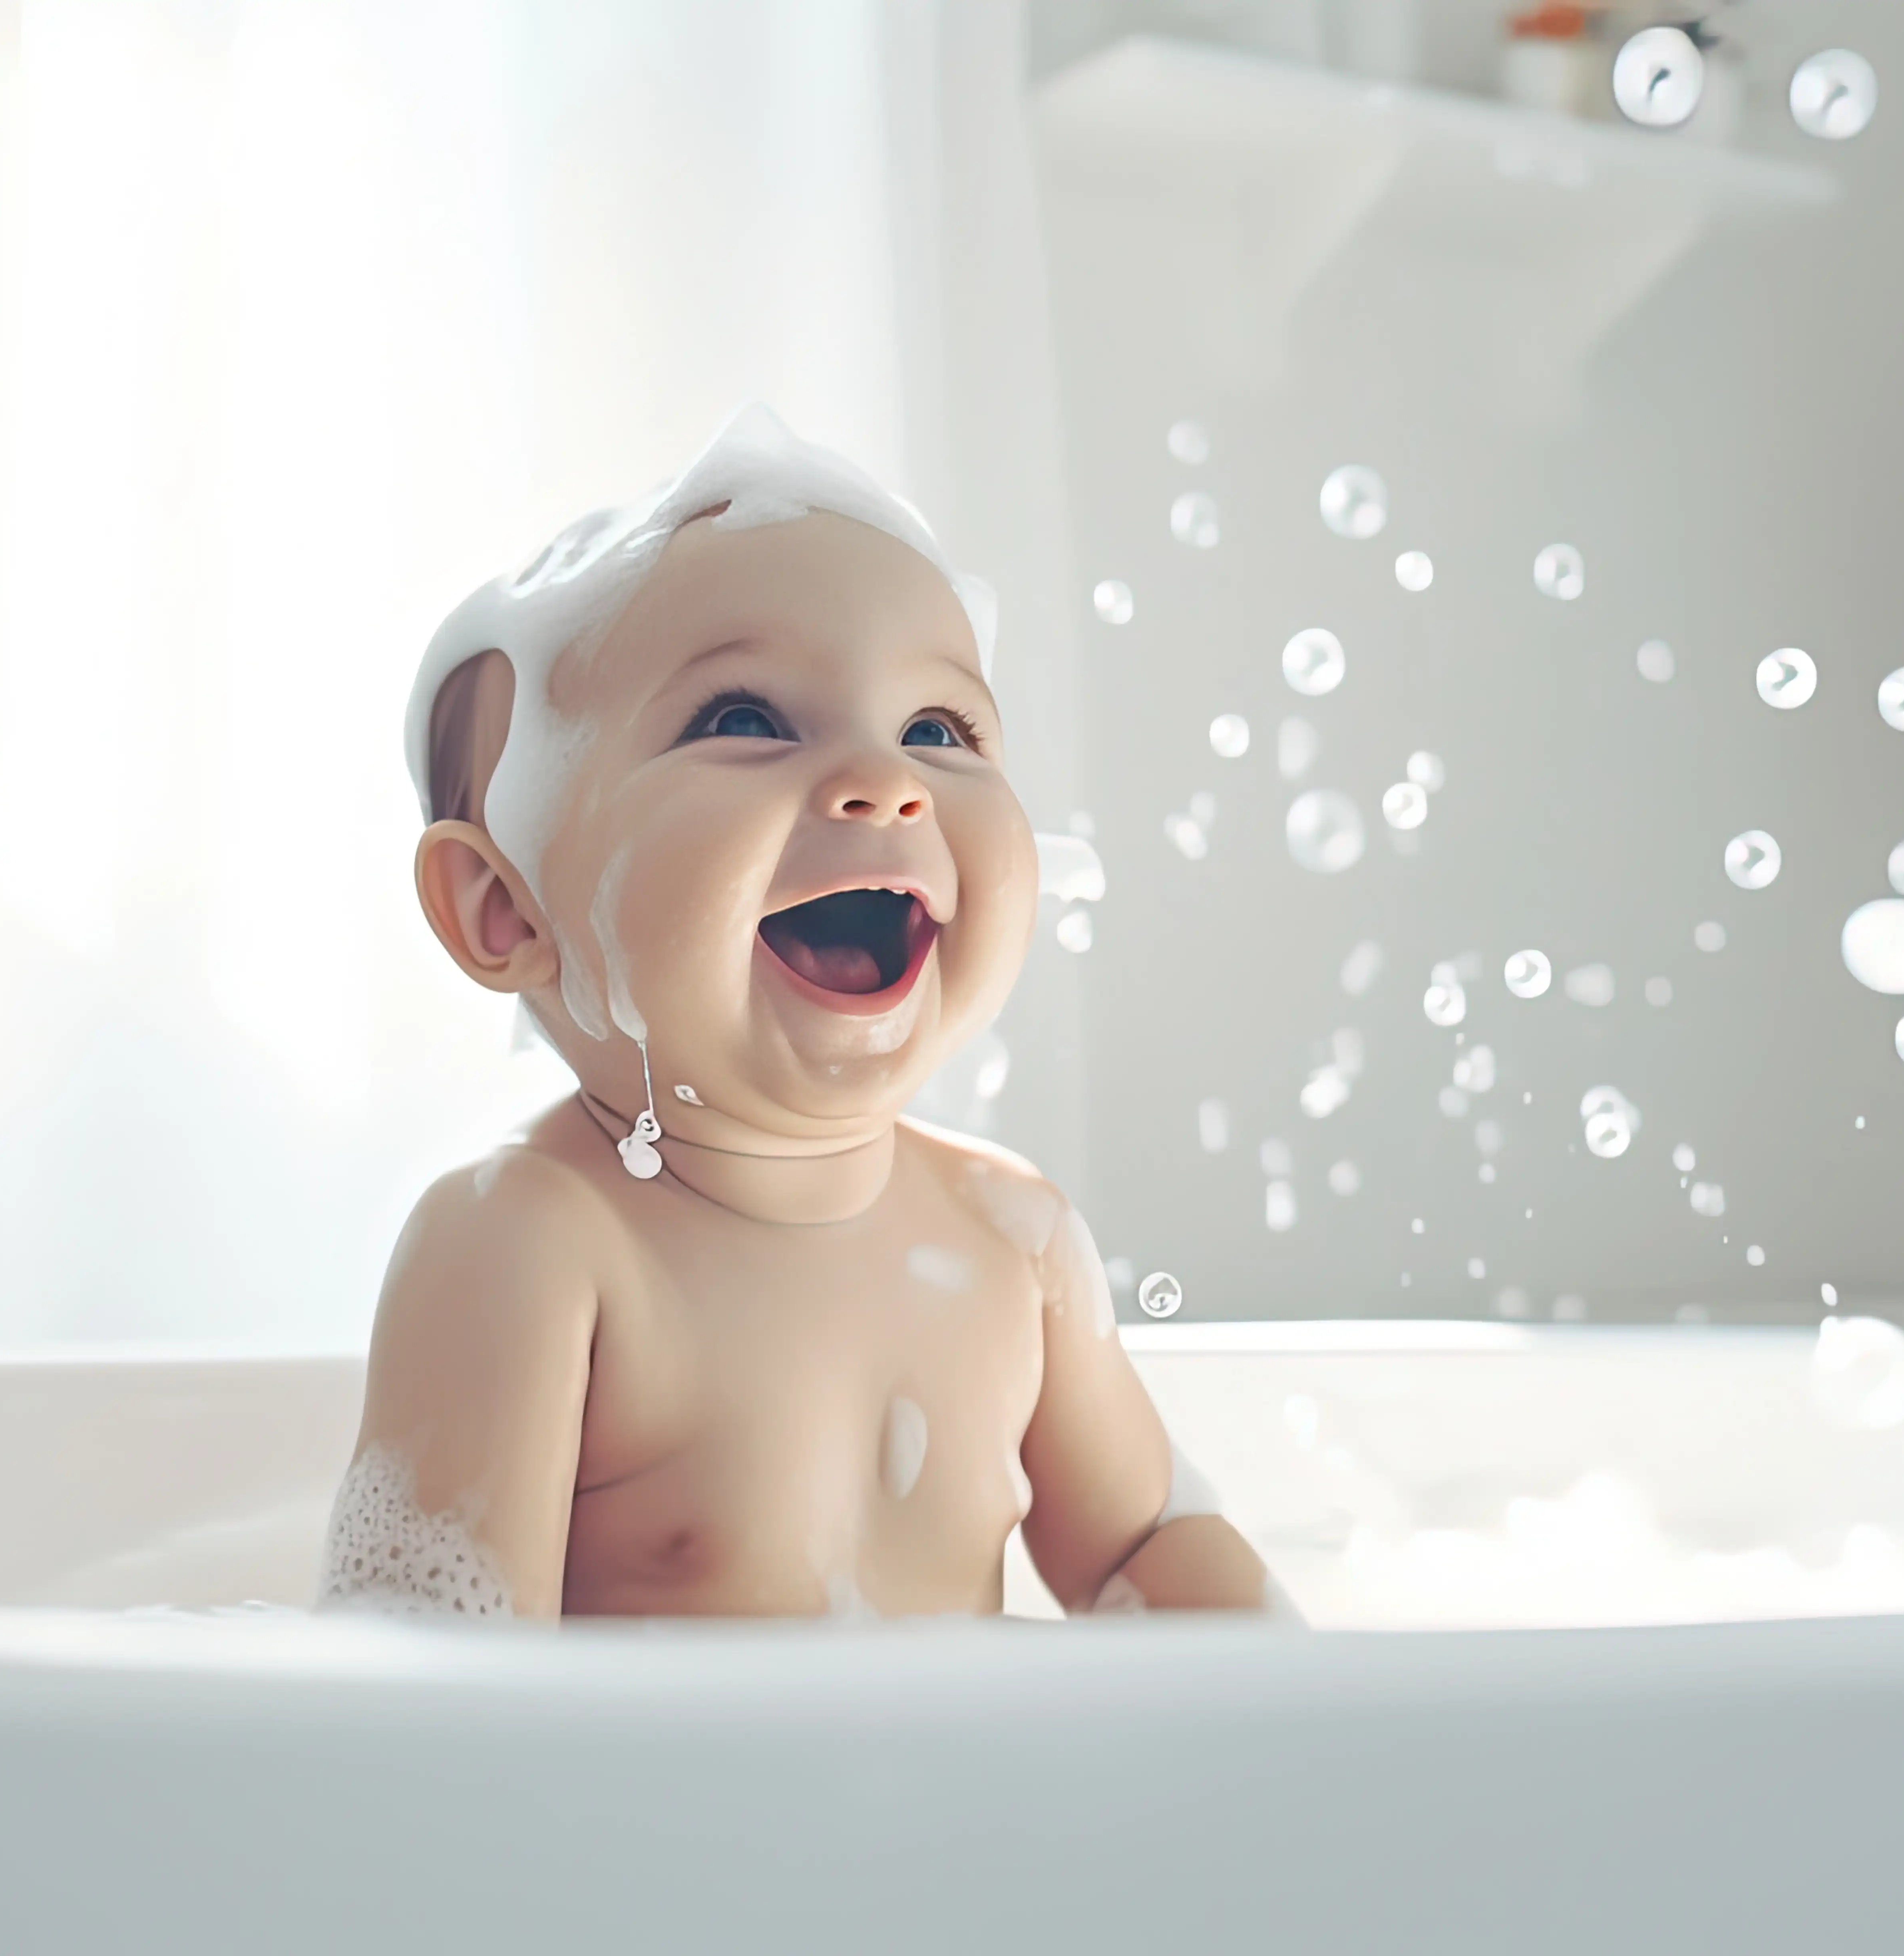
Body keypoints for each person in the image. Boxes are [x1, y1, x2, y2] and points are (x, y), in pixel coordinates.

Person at [319, 406, 1283, 1621]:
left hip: (958, 1815)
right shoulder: (530, 1246)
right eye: (744, 722)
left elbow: (1144, 1544)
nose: (888, 786)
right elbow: (430, 1676)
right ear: (504, 913)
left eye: (938, 730)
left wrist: (1304, 1713)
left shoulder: (1012, 1240)